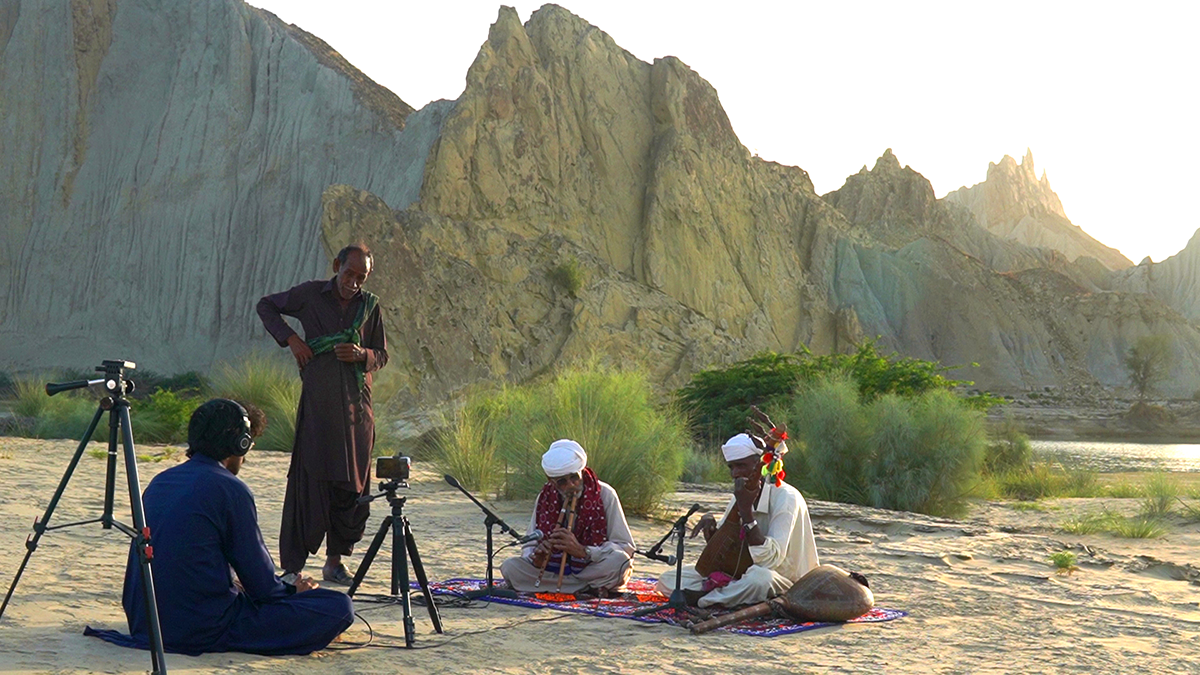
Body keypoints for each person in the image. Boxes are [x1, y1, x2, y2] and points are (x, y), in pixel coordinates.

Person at [115, 399, 354, 655]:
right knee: (339, 606)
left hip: (145, 623)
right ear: (240, 443)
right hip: (201, 628)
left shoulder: (161, 481)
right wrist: (294, 589)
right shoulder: (230, 488)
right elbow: (264, 587)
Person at [256, 244, 388, 584]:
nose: (354, 283)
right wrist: (291, 340)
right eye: (349, 274)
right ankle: (293, 568)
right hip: (319, 407)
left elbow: (382, 354)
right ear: (336, 266)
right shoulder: (310, 295)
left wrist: (362, 354)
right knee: (309, 481)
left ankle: (334, 562)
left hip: (358, 411)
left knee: (351, 487)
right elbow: (266, 305)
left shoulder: (370, 306)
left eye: (362, 277)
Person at [655, 431, 819, 608]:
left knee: (759, 579)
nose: (735, 474)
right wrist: (712, 533)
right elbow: (728, 543)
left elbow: (770, 560)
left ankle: (705, 599)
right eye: (731, 467)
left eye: (741, 466)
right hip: (741, 572)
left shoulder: (786, 497)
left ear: (759, 465)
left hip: (784, 578)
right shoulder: (739, 494)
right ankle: (726, 595)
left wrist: (746, 513)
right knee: (668, 580)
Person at [500, 440, 636, 595]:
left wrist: (584, 552)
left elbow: (625, 546)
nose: (571, 485)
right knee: (510, 567)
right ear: (551, 481)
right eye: (562, 482)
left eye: (574, 477)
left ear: (583, 472)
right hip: (556, 571)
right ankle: (584, 588)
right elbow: (529, 545)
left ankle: (565, 587)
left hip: (591, 569)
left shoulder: (605, 494)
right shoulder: (544, 498)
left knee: (620, 562)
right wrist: (537, 558)